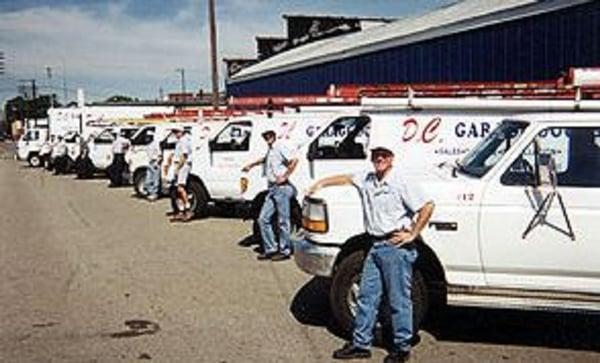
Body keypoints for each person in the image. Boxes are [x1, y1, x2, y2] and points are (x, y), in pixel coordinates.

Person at [307, 140, 434, 363]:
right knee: (366, 297)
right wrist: (321, 183)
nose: (379, 159)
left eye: (384, 155)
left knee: (399, 300)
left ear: (392, 158)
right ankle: (360, 344)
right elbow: (346, 178)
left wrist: (413, 233)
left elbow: (427, 205)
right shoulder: (367, 180)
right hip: (374, 246)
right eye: (376, 155)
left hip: (395, 248)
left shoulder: (400, 182)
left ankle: (401, 347)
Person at [242, 129, 298, 261]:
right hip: (272, 189)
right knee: (263, 219)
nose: (268, 138)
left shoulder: (280, 147)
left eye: (270, 135)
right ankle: (271, 248)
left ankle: (285, 250)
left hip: (282, 188)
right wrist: (250, 165)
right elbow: (265, 160)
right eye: (265, 136)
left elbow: (294, 160)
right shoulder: (271, 149)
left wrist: (285, 176)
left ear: (274, 136)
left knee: (283, 221)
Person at [169, 126, 193, 222]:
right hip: (179, 165)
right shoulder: (181, 141)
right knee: (176, 190)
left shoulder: (184, 141)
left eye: (176, 131)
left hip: (183, 165)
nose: (175, 134)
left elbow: (184, 156)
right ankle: (181, 210)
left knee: (180, 187)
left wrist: (177, 168)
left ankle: (187, 208)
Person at [144, 136, 162, 201]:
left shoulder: (155, 144)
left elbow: (159, 154)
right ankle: (149, 191)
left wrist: (157, 162)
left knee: (155, 179)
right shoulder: (148, 145)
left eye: (148, 137)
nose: (146, 138)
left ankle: (154, 194)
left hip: (155, 162)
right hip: (150, 162)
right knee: (148, 178)